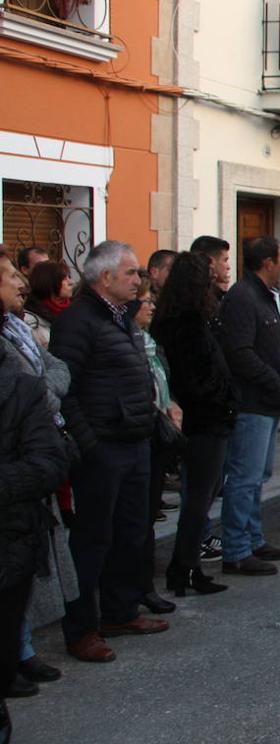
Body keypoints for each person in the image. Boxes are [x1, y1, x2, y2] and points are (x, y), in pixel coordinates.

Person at [49, 241, 166, 662]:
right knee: (93, 539)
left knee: (130, 533)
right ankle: (81, 629)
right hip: (103, 447)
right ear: (105, 278)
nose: (140, 279)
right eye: (132, 273)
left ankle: (119, 612)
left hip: (134, 442)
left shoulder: (123, 319)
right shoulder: (79, 321)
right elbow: (65, 388)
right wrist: (90, 444)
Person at [0, 254, 72, 699]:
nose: (19, 282)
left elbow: (55, 373)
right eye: (9, 275)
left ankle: (18, 652)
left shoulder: (19, 332)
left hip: (16, 513)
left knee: (14, 592)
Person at [149, 253, 232, 598]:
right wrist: (223, 399)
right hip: (204, 421)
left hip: (198, 419)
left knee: (199, 496)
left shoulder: (170, 319)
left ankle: (186, 567)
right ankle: (184, 568)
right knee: (199, 498)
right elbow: (199, 377)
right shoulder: (191, 323)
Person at [218, 236, 280, 577]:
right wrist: (272, 379)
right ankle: (236, 549)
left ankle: (253, 539)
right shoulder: (243, 298)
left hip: (267, 400)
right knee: (244, 478)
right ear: (267, 263)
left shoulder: (265, 296)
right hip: (252, 401)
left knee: (259, 475)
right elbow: (240, 352)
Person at [131, 275, 181, 617]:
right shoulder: (127, 341)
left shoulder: (147, 341)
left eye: (151, 300)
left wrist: (171, 403)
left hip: (156, 430)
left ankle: (143, 585)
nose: (150, 306)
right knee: (135, 519)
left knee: (145, 517)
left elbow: (160, 378)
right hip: (138, 434)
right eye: (145, 300)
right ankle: (134, 587)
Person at [22, 261, 73, 350]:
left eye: (69, 277)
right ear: (49, 282)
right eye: (64, 279)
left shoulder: (73, 310)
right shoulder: (31, 320)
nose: (71, 282)